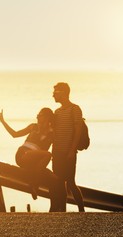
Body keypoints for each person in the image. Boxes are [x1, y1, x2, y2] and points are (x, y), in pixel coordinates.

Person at [0, 107, 54, 200]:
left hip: (34, 160)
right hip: (23, 154)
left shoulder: (52, 133)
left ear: (47, 117)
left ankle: (35, 185)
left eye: (40, 115)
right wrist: (2, 121)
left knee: (53, 178)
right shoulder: (33, 127)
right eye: (37, 115)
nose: (37, 117)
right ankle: (34, 185)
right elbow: (14, 134)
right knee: (48, 155)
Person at [52, 82, 85, 212]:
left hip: (69, 152)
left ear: (64, 93)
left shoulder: (75, 109)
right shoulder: (57, 112)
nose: (53, 95)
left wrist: (72, 150)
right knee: (59, 183)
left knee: (70, 182)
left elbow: (78, 131)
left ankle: (81, 210)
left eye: (56, 92)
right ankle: (62, 211)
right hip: (57, 152)